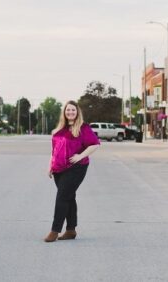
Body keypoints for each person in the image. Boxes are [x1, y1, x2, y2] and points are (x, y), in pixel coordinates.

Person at [44, 100, 100, 242]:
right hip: (59, 168)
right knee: (69, 197)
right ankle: (71, 230)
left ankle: (55, 230)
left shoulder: (83, 128)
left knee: (62, 197)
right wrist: (50, 165)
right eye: (68, 110)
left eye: (73, 110)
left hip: (76, 167)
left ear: (77, 112)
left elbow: (95, 144)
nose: (70, 112)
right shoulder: (58, 130)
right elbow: (54, 151)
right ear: (64, 112)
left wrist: (80, 156)